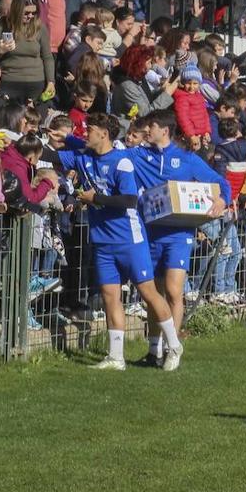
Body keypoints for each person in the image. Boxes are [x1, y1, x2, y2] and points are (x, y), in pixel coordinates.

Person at [57, 112, 184, 371]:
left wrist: (96, 200)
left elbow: (129, 200)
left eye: (89, 128)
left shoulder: (122, 161)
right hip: (102, 241)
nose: (85, 132)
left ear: (103, 133)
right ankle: (116, 357)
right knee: (109, 296)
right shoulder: (83, 157)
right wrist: (50, 139)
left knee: (148, 292)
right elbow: (50, 154)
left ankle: (174, 345)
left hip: (128, 239)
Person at [128, 111, 228, 363]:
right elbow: (107, 154)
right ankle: (154, 350)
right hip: (150, 233)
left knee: (173, 290)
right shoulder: (139, 155)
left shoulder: (186, 159)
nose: (146, 131)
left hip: (179, 234)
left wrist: (221, 199)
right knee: (154, 293)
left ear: (165, 130)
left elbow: (219, 181)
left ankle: (174, 348)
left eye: (151, 126)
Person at [0, 0, 55, 104]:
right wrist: (0, 51)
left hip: (36, 83)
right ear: (17, 10)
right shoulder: (0, 26)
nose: (30, 16)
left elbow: (47, 57)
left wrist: (51, 81)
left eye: (34, 13)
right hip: (9, 82)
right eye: (26, 13)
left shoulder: (39, 27)